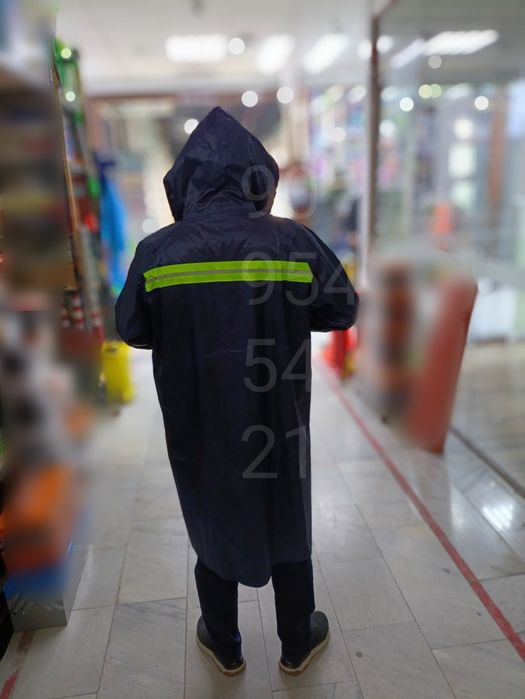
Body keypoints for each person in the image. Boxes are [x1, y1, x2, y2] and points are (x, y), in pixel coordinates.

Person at [116, 107, 358, 676]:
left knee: (211, 509)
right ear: (259, 177)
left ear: (183, 183)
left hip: (197, 415)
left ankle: (224, 643)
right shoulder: (293, 240)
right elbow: (342, 309)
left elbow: (132, 328)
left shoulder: (157, 252)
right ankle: (297, 641)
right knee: (286, 511)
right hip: (277, 415)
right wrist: (285, 315)